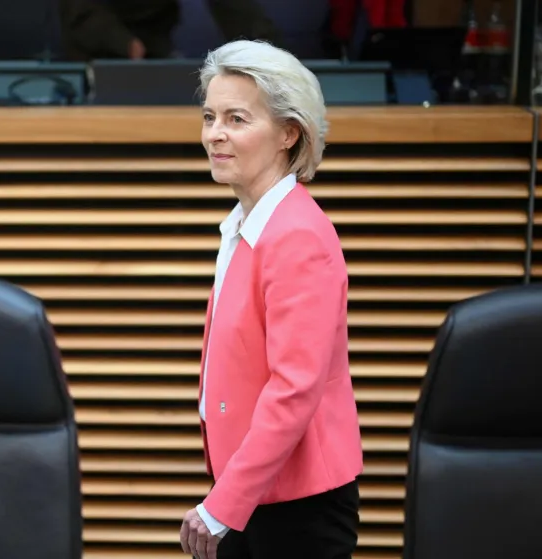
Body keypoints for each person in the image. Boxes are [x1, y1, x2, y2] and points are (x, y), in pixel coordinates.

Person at [179, 39, 363, 559]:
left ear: (289, 132)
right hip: (257, 490)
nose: (216, 134)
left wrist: (222, 506)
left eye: (237, 119)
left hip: (297, 509)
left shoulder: (296, 235)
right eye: (210, 116)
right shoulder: (250, 223)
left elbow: (293, 390)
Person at [59, 0, 280, 60]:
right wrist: (124, 43)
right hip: (94, 54)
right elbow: (80, 11)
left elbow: (235, 8)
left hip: (155, 45)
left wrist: (264, 48)